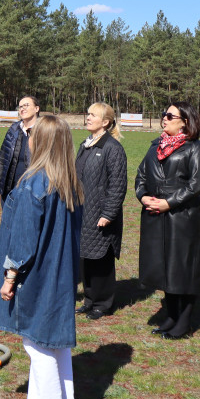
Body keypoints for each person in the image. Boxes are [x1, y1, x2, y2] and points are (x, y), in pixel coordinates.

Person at [0, 114, 83, 399]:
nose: (27, 137)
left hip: (38, 273)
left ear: (39, 142)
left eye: (31, 134)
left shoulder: (34, 183)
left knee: (37, 341)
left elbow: (24, 240)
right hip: (60, 271)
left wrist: (10, 277)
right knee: (55, 340)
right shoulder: (68, 182)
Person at [136, 102, 200, 340]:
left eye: (170, 115)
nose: (164, 118)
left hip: (182, 217)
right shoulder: (155, 146)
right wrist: (143, 196)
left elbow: (196, 184)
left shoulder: (196, 148)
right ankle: (171, 315)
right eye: (164, 114)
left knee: (182, 268)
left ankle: (184, 321)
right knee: (163, 265)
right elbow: (141, 175)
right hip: (155, 215)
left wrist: (169, 202)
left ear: (185, 121)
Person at [75, 101, 127, 320]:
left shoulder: (112, 148)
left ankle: (103, 303)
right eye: (87, 114)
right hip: (83, 212)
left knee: (101, 259)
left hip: (101, 214)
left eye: (93, 115)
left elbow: (118, 185)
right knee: (86, 257)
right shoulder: (86, 145)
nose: (88, 117)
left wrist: (108, 214)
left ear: (105, 122)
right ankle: (89, 299)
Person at [0, 96, 40, 208]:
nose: (22, 109)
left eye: (26, 105)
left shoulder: (45, 131)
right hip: (10, 191)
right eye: (20, 106)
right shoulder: (13, 129)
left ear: (36, 108)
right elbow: (2, 160)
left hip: (33, 192)